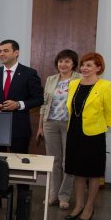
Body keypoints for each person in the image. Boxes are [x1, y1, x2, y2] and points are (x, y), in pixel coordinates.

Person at [0, 39, 44, 211]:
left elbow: (39, 98)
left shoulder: (29, 73)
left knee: (21, 166)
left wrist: (19, 104)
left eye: (5, 51)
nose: (1, 54)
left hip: (19, 128)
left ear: (16, 52)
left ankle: (22, 203)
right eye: (0, 51)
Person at [64, 53, 111, 220]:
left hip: (94, 136)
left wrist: (101, 128)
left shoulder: (105, 86)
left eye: (89, 65)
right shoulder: (73, 84)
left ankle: (89, 207)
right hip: (74, 133)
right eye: (83, 65)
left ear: (98, 68)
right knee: (78, 171)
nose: (84, 68)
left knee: (93, 173)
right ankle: (79, 205)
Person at [36, 49, 81, 209]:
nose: (63, 64)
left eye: (67, 61)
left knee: (67, 162)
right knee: (53, 161)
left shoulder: (80, 79)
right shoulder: (51, 79)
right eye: (61, 61)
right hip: (50, 123)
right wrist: (40, 126)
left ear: (74, 63)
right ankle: (53, 195)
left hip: (70, 124)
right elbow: (44, 103)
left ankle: (64, 197)